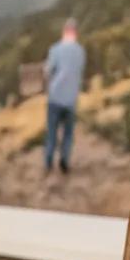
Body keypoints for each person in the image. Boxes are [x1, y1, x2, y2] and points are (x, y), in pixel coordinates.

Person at [43, 18, 86, 173]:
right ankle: (64, 162)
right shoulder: (81, 51)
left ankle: (48, 163)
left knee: (52, 132)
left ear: (64, 32)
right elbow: (79, 72)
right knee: (68, 133)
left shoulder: (55, 49)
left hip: (55, 97)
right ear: (75, 33)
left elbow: (48, 71)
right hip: (71, 98)